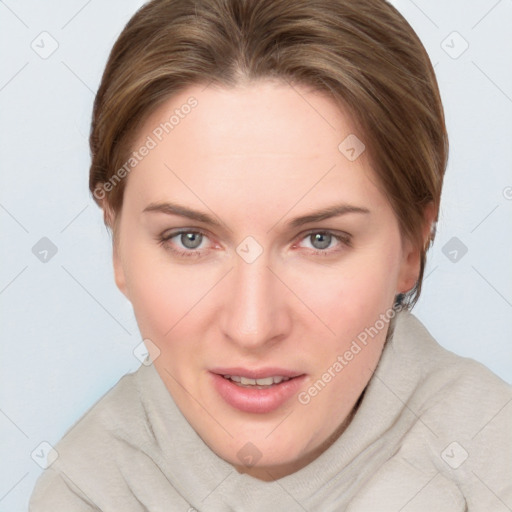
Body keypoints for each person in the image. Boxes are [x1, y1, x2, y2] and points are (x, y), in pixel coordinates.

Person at [29, 0, 512, 510]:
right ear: (117, 243)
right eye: (189, 239)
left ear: (412, 243)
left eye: (320, 239)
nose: (252, 327)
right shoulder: (83, 489)